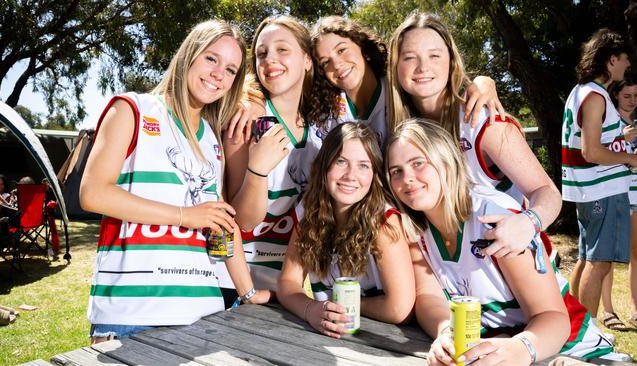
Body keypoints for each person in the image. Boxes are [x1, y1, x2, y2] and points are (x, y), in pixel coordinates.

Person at [79, 19, 269, 343]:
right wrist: (184, 216)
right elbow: (92, 193)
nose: (218, 74)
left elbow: (223, 223)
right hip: (132, 316)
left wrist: (247, 291)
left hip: (203, 315)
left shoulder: (212, 138)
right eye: (211, 58)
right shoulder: (132, 109)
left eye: (230, 69)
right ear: (189, 54)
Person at [386, 119, 616, 365]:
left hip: (567, 352)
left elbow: (553, 318)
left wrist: (520, 348)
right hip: (488, 354)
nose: (407, 178)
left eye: (418, 163)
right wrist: (445, 332)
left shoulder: (493, 217)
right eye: (396, 171)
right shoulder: (414, 227)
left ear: (446, 161)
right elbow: (429, 298)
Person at [386, 12, 561, 259]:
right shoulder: (400, 133)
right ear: (395, 66)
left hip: (508, 268)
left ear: (452, 62)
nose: (423, 67)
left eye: (434, 55)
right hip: (450, 276)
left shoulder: (482, 122)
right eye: (409, 57)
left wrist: (528, 222)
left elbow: (547, 192)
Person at [277, 122, 414, 339]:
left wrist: (341, 305)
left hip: (384, 341)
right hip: (328, 335)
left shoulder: (383, 222)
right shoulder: (309, 210)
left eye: (363, 166)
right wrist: (310, 309)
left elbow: (399, 309)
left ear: (375, 174)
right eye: (341, 161)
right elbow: (288, 282)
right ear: (324, 166)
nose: (351, 175)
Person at [224, 16, 321, 298]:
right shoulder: (247, 118)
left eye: (282, 49)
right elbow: (242, 221)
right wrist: (258, 171)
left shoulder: (321, 126)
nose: (270, 60)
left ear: (307, 59)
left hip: (283, 288)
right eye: (262, 53)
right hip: (233, 286)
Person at [308, 15, 505, 150]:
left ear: (364, 49)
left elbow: (442, 86)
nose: (337, 64)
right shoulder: (328, 114)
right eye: (325, 62)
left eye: (342, 50)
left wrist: (483, 83)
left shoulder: (399, 87)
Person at [561, 29, 637, 327]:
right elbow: (592, 151)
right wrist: (632, 157)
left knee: (586, 259)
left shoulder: (580, 92)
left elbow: (594, 141)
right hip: (602, 190)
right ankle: (585, 333)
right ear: (610, 61)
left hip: (589, 191)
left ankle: (571, 327)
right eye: (624, 59)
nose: (627, 64)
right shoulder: (595, 96)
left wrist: (620, 136)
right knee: (599, 262)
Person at [599, 78, 637, 331]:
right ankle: (607, 311)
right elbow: (592, 152)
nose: (633, 100)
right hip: (613, 191)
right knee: (608, 255)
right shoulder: (606, 119)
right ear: (615, 95)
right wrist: (619, 136)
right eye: (627, 95)